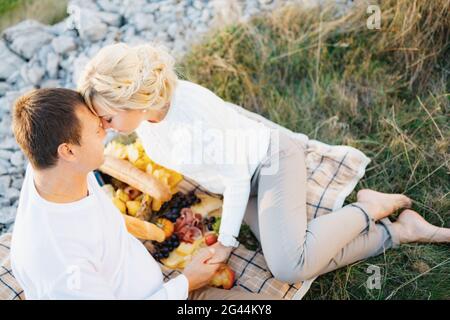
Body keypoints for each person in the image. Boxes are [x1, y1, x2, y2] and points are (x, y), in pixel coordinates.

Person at [77, 42, 450, 284]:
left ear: (136, 101)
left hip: (268, 163)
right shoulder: (146, 121)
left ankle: (370, 208)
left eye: (107, 117)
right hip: (238, 183)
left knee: (288, 266)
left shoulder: (191, 112)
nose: (103, 126)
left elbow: (237, 176)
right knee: (295, 253)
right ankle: (399, 232)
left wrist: (226, 243)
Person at [10, 88, 277, 300]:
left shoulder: (51, 169)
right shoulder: (56, 259)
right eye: (96, 129)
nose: (107, 129)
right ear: (68, 151)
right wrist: (187, 282)